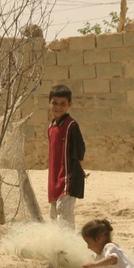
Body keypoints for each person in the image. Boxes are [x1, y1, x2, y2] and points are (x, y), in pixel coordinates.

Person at [47, 84, 86, 228]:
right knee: (53, 214)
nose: (58, 107)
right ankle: (57, 248)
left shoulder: (71, 125)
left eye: (63, 104)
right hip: (54, 179)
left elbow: (79, 150)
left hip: (67, 179)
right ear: (49, 103)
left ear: (69, 104)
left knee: (64, 215)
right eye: (55, 103)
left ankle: (68, 249)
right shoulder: (51, 127)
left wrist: (77, 170)